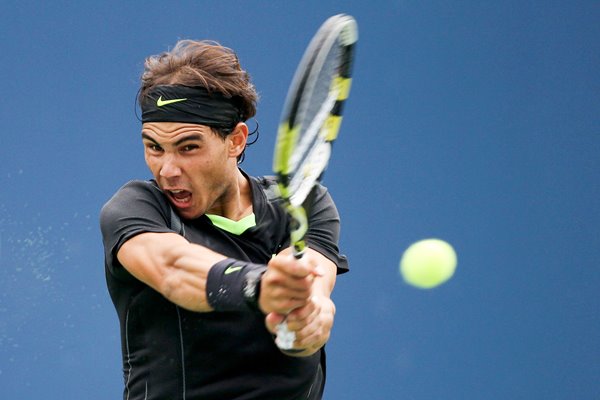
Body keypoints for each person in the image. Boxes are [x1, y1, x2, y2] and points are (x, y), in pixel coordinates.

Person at [100, 39, 348, 400]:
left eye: (188, 147)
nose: (167, 170)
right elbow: (174, 269)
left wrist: (308, 318)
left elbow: (314, 284)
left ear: (235, 141)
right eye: (154, 147)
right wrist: (260, 284)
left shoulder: (302, 203)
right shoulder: (137, 207)